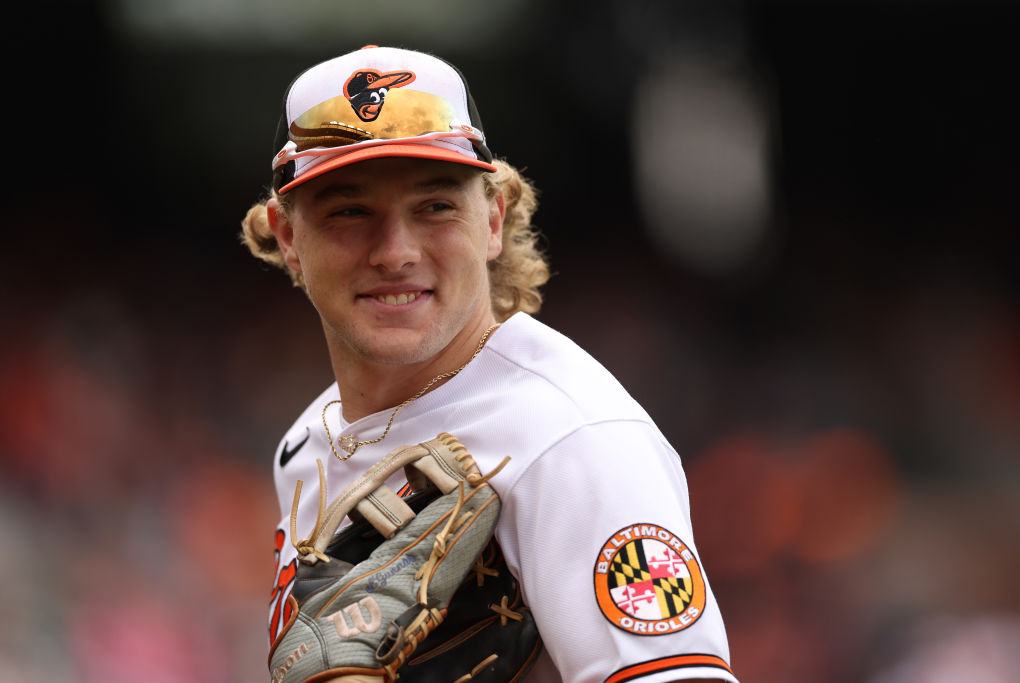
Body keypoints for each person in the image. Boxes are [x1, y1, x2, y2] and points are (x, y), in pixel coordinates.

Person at [241, 44, 737, 683]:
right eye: (349, 211)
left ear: (493, 218)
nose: (395, 251)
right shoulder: (307, 442)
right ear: (288, 239)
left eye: (435, 206)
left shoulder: (572, 437)